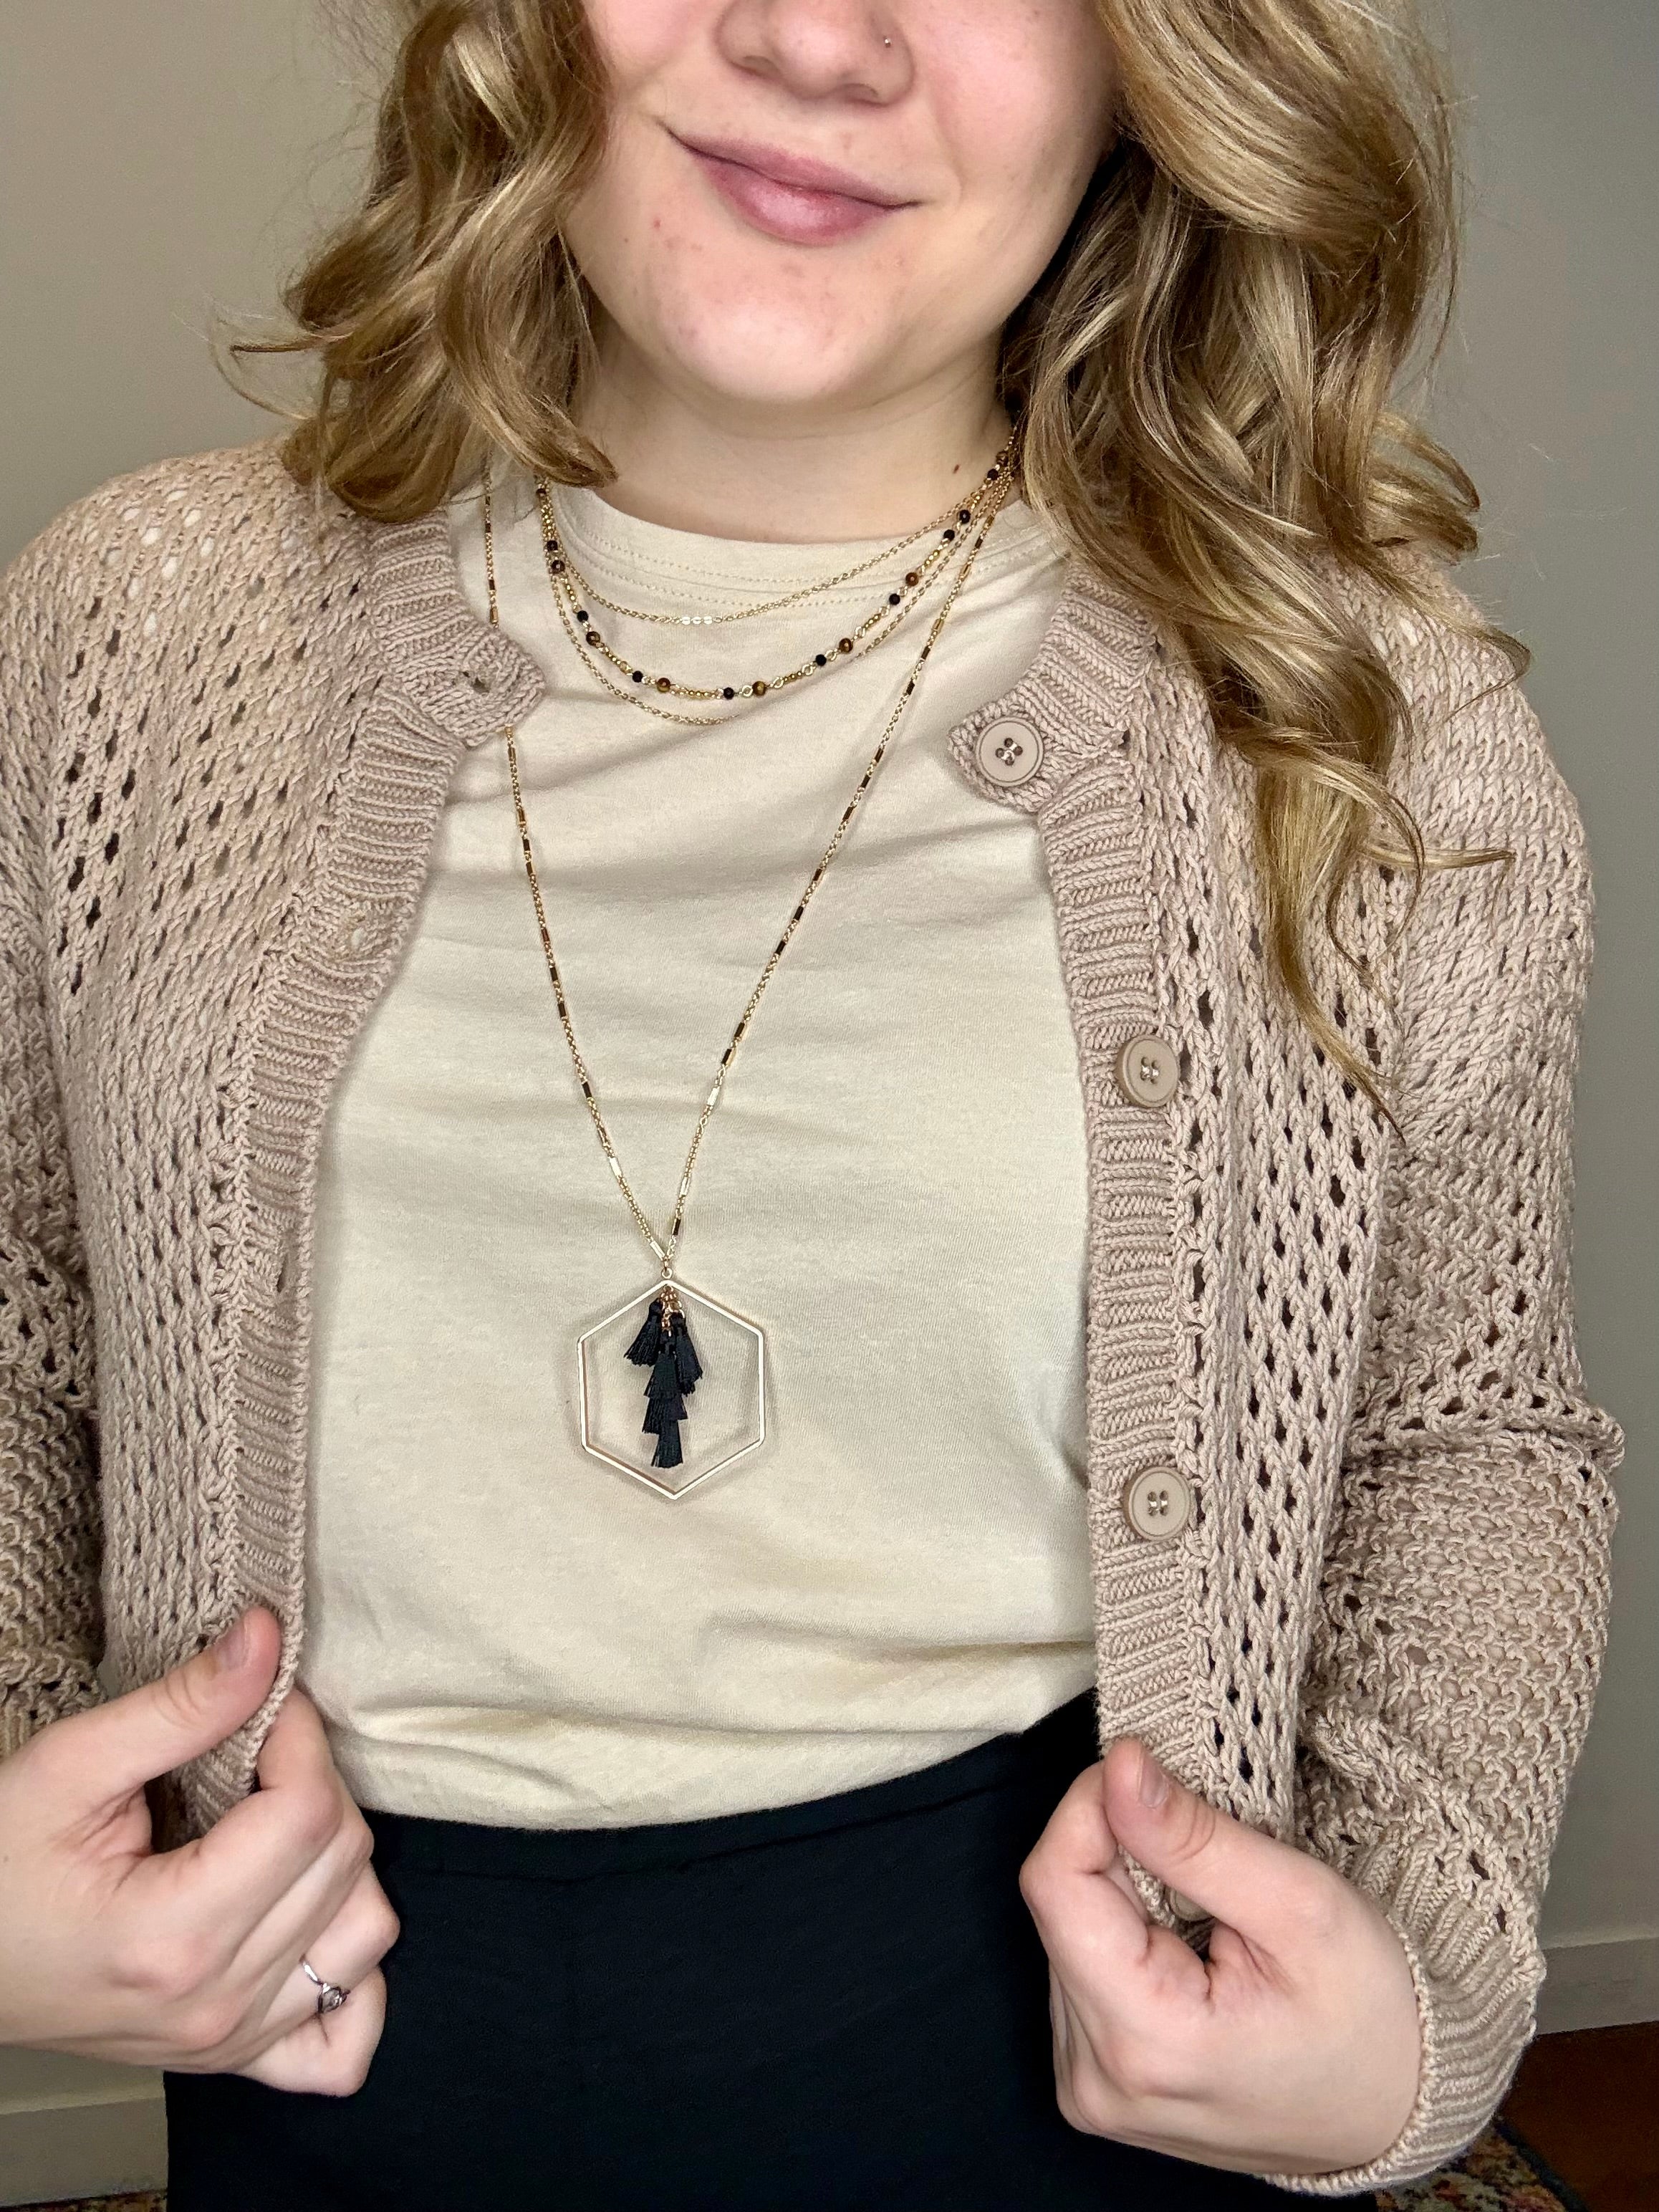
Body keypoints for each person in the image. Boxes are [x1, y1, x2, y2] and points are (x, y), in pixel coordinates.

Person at [0, 0, 1624, 2206]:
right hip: (321, 2027)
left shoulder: (1359, 721)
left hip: (1059, 2037)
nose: (818, 40)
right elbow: (23, 1305)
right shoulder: (137, 624)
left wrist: (1414, 2007)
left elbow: (1463, 1422)